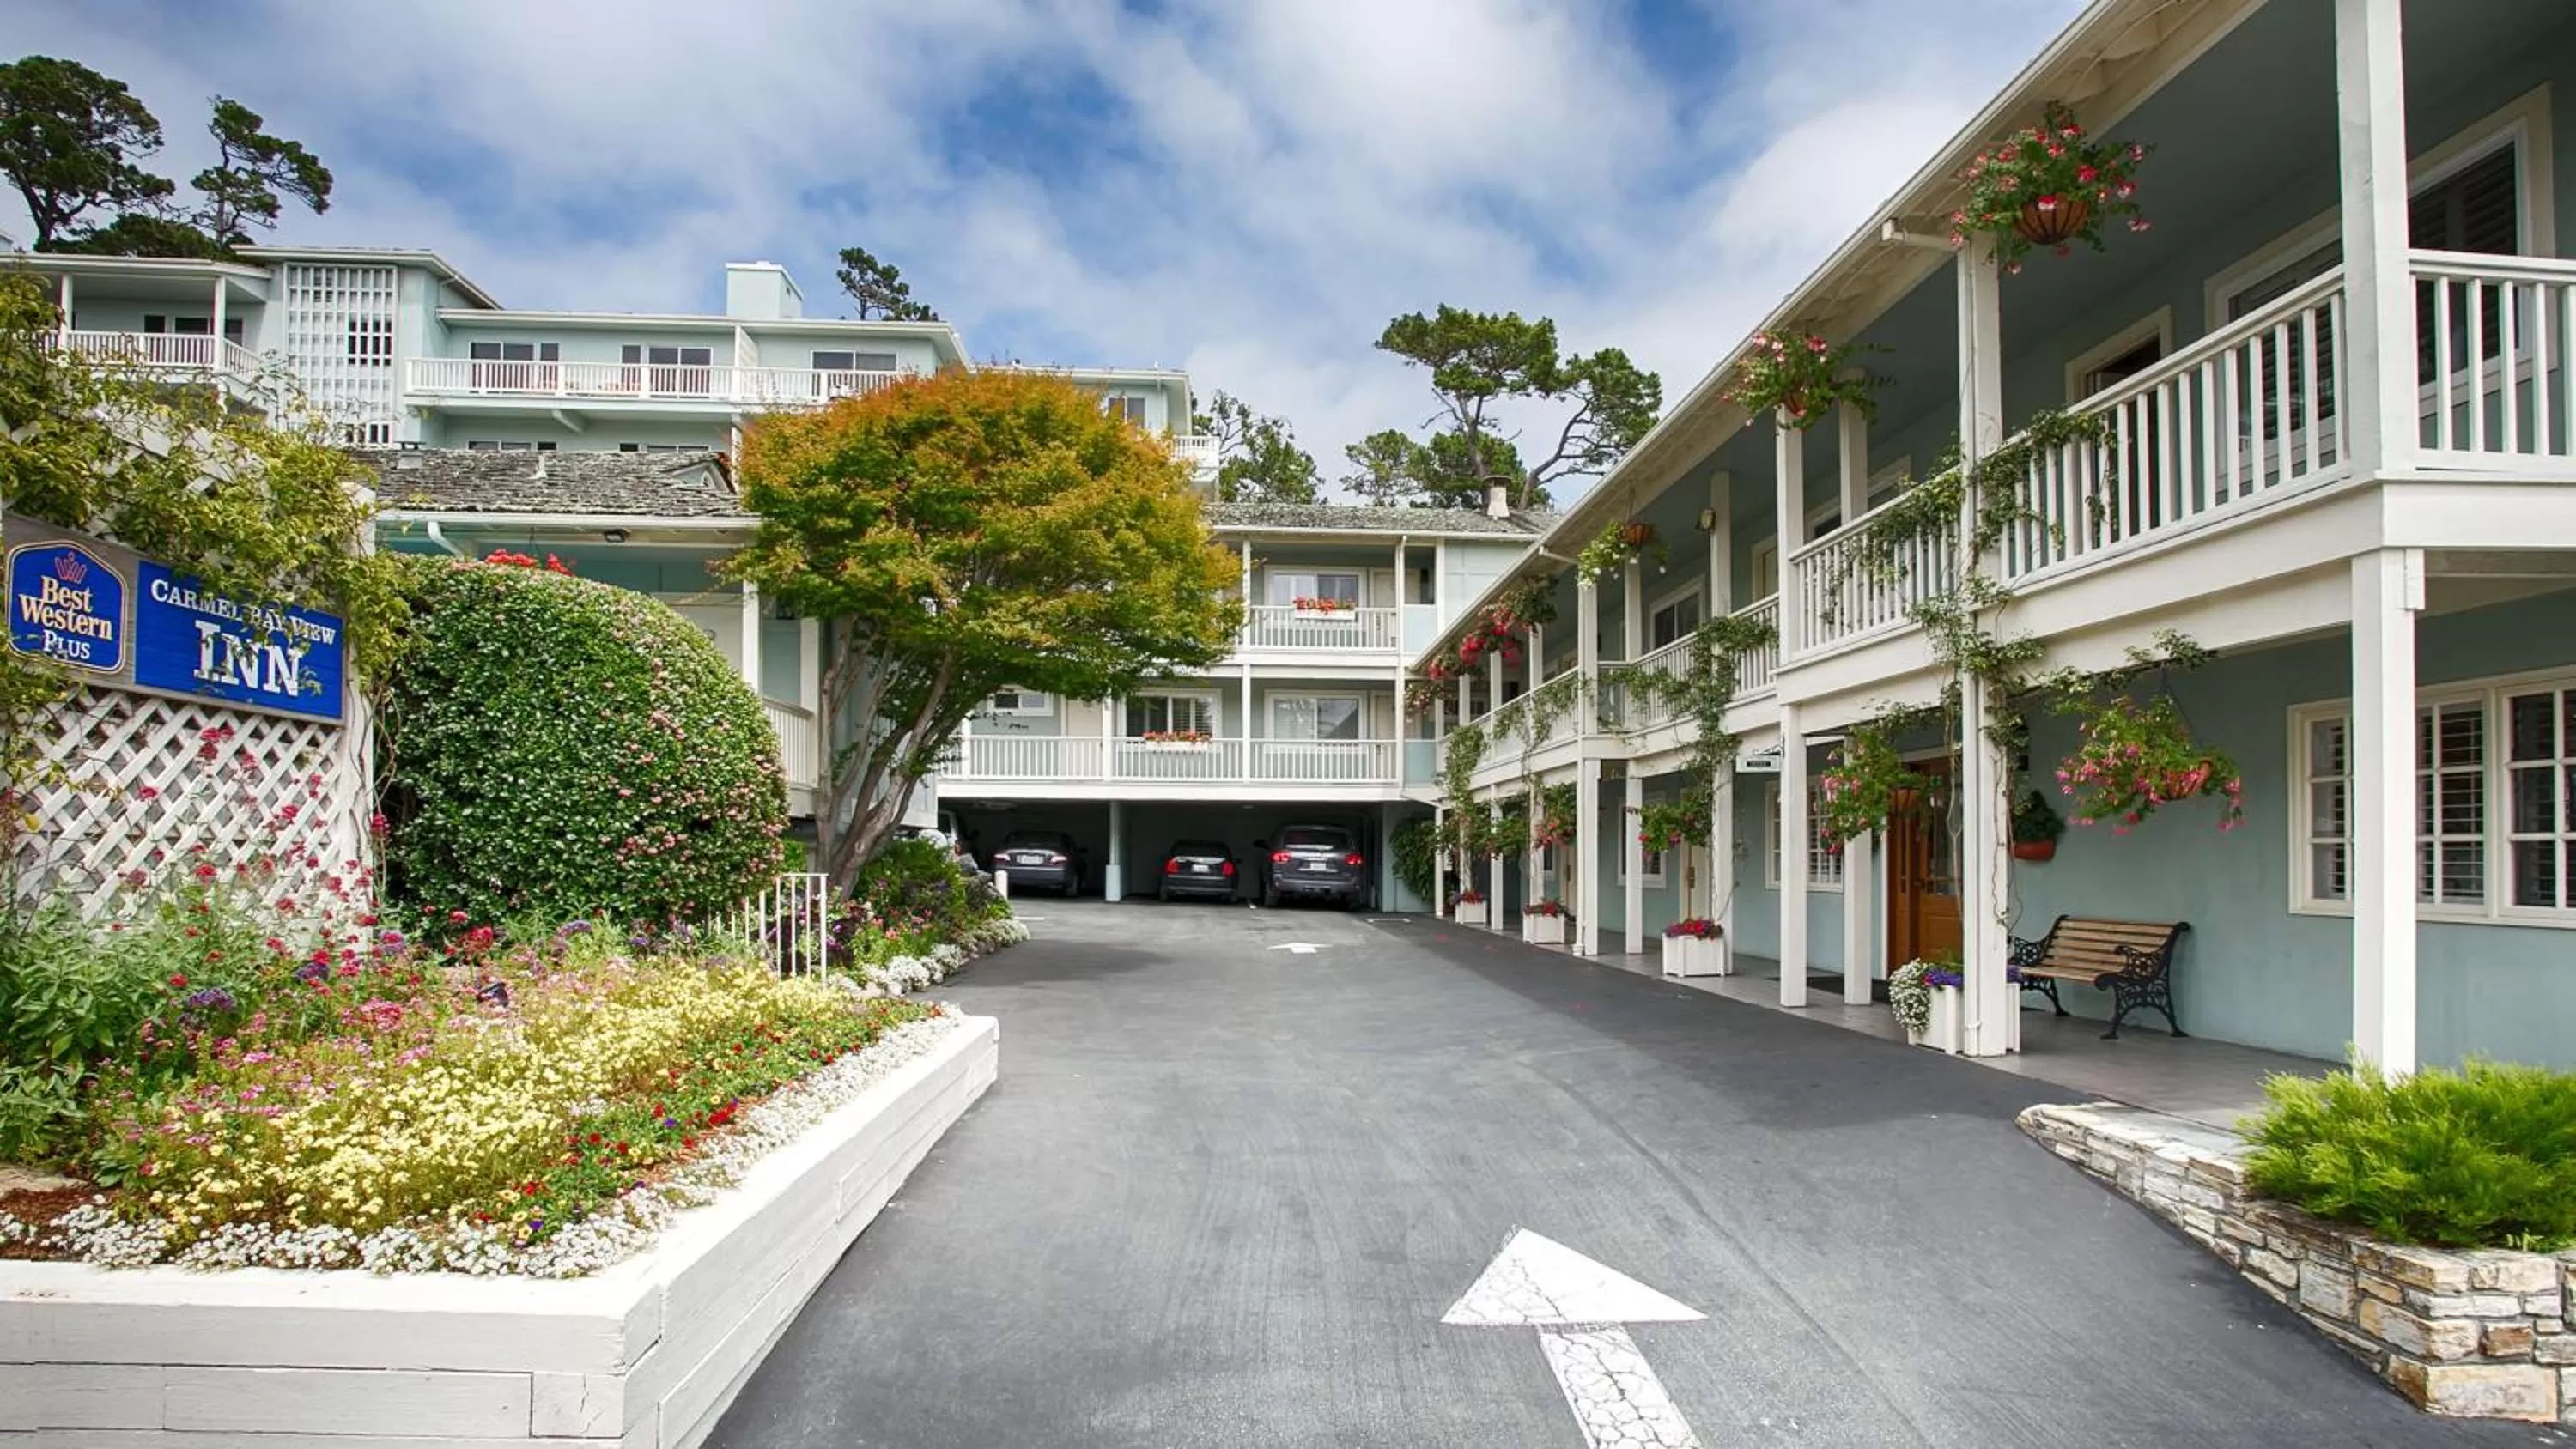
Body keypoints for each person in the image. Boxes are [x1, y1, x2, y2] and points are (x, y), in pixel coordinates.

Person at [1249, 838, 1270, 906]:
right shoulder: (1265, 851)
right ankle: (1263, 898)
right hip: (1265, 869)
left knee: (1262, 884)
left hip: (1262, 869)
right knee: (1264, 884)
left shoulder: (1260, 851)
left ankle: (1260, 898)